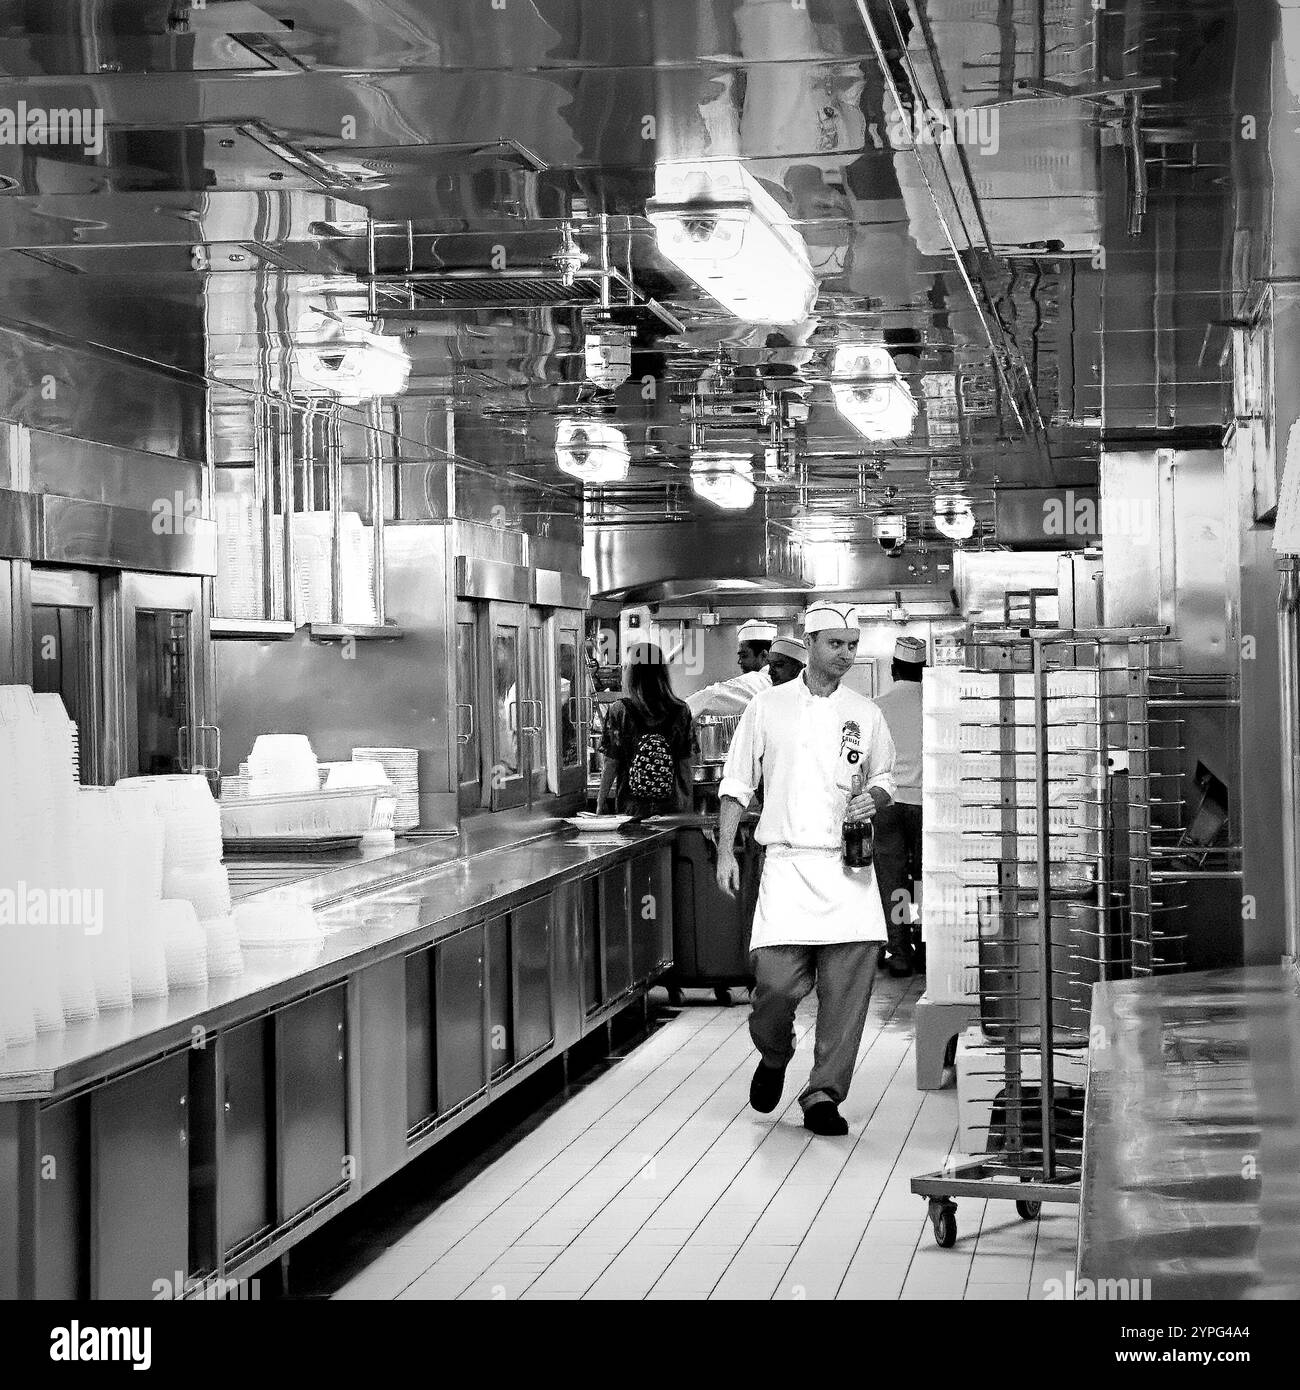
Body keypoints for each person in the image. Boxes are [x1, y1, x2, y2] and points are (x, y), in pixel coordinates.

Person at [715, 600, 896, 1137]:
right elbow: (736, 785)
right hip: (787, 865)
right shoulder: (766, 708)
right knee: (773, 986)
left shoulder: (866, 712)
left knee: (846, 997)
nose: (845, 655)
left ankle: (822, 1093)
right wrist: (726, 850)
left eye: (852, 646)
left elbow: (886, 773)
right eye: (835, 644)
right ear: (808, 641)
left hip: (849, 871)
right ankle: (774, 1055)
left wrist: (877, 798)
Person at [873, 636, 926, 977]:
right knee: (922, 878)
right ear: (924, 670)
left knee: (893, 880)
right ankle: (924, 947)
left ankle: (899, 950)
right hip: (926, 805)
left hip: (888, 804)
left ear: (893, 669)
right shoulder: (935, 702)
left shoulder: (876, 706)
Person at [596, 642, 693, 817]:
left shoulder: (619, 711)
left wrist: (601, 801)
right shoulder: (681, 710)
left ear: (632, 674)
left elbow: (611, 762)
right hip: (671, 808)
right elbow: (685, 763)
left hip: (631, 808)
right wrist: (688, 805)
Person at [686, 619, 777, 717]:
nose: (740, 662)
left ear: (764, 655)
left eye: (744, 656)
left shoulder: (761, 681)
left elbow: (713, 695)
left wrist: (678, 712)